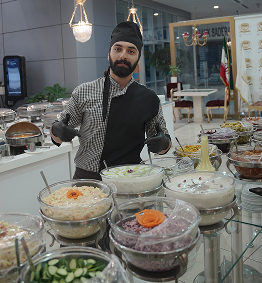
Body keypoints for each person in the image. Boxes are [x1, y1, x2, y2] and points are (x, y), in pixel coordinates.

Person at [50, 21, 172, 180]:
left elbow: (163, 146)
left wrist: (163, 144)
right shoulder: (84, 91)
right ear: (109, 54)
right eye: (118, 49)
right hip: (88, 179)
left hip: (131, 180)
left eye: (131, 51)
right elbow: (56, 138)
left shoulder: (149, 98)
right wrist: (57, 130)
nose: (123, 55)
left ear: (138, 59)